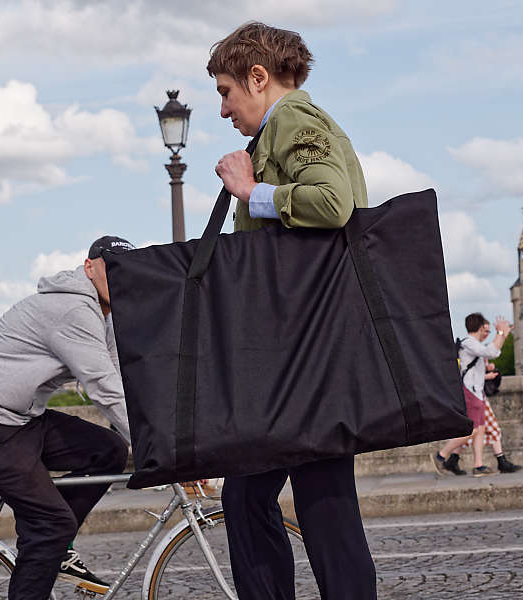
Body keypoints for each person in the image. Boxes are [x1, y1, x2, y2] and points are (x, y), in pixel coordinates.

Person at [209, 22, 374, 599]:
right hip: (312, 352)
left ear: (259, 77)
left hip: (306, 356)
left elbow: (332, 203)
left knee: (280, 499)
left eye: (227, 92)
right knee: (308, 503)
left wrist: (250, 192)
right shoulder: (285, 128)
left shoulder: (294, 122)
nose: (225, 110)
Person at [0, 236, 134, 599]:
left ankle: (56, 551)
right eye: (112, 268)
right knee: (51, 524)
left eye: (128, 270)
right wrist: (157, 445)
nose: (120, 277)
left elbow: (118, 376)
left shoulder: (103, 313)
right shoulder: (74, 310)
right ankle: (52, 542)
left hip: (21, 419)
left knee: (109, 450)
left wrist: (164, 428)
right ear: (89, 266)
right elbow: (103, 388)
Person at [437, 319, 521, 475]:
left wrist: (503, 333)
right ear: (481, 327)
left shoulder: (472, 343)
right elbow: (491, 352)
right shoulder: (469, 342)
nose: (487, 333)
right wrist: (501, 333)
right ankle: (441, 455)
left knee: (480, 429)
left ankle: (478, 465)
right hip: (471, 391)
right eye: (486, 330)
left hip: (476, 392)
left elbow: (494, 352)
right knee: (473, 431)